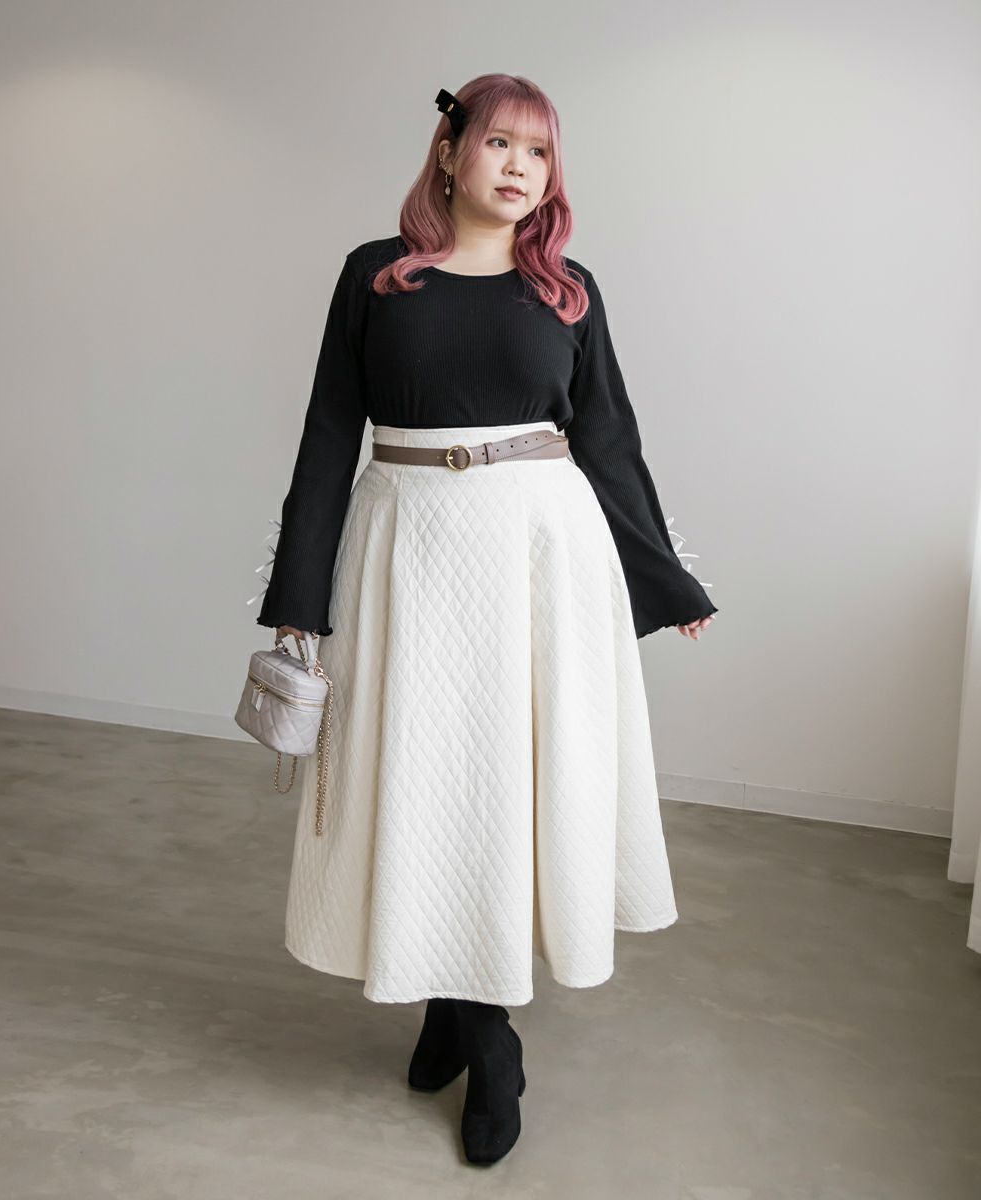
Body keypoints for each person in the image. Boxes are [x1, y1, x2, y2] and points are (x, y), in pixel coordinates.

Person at [252, 74, 718, 1166]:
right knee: (425, 780)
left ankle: (478, 1031)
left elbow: (608, 439)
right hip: (404, 549)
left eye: (539, 153)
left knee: (505, 783)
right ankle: (463, 1015)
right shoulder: (377, 276)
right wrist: (299, 601)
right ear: (450, 149)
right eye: (501, 143)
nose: (519, 168)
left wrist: (664, 580)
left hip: (540, 555)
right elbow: (328, 433)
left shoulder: (567, 290)